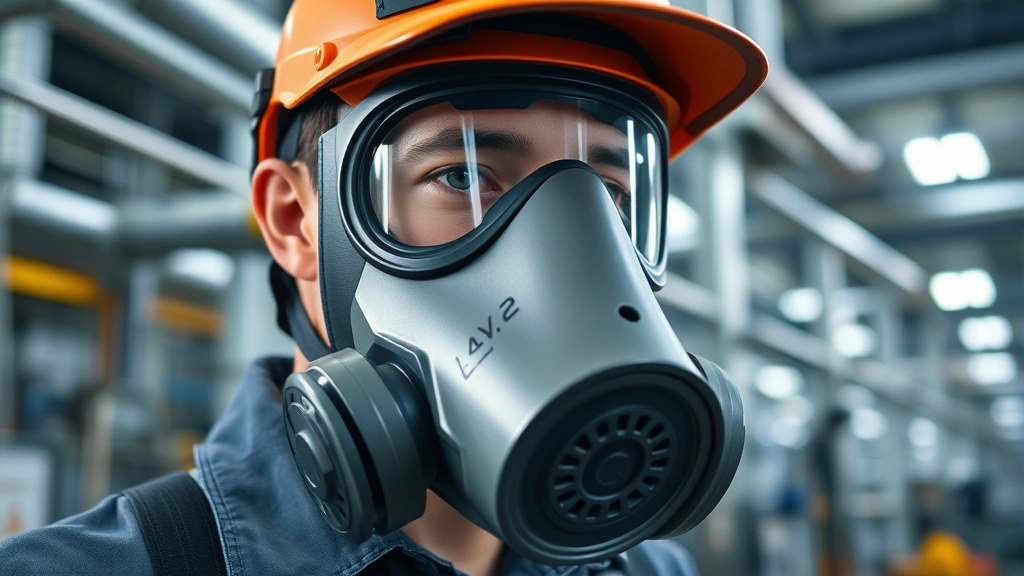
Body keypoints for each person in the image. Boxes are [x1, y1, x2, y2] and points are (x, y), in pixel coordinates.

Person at [0, 1, 766, 574]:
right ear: (296, 222)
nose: (566, 255)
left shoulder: (649, 568)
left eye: (609, 193)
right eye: (462, 174)